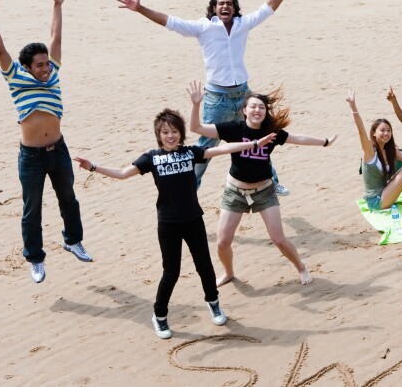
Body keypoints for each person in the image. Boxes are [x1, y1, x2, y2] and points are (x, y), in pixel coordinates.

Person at [72, 110, 274, 338]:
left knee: (205, 267)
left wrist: (255, 143)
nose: (171, 136)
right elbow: (122, 173)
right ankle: (159, 316)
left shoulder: (190, 153)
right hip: (168, 223)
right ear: (159, 134)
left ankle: (213, 302)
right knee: (171, 272)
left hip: (193, 219)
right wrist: (92, 167)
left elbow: (222, 149)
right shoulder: (151, 158)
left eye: (175, 131)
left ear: (181, 133)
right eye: (165, 132)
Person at [117, 0, 308, 194]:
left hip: (244, 96)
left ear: (234, 8)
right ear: (214, 9)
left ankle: (272, 182)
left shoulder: (242, 24)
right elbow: (170, 22)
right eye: (220, 3)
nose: (225, 6)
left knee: (257, 138)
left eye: (229, 3)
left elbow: (268, 8)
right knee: (205, 148)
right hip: (217, 100)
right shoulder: (203, 27)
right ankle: (190, 190)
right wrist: (139, 8)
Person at [0, 0, 92, 284]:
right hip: (32, 157)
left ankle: (73, 240)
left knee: (69, 199)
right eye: (39, 65)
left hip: (59, 150)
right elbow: (0, 49)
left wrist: (58, 5)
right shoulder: (15, 78)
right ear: (26, 67)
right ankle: (35, 258)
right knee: (31, 209)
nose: (46, 68)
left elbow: (56, 36)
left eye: (47, 64)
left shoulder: (54, 73)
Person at [187, 81, 334, 286]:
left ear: (265, 112)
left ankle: (301, 267)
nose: (257, 110)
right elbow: (196, 128)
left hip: (264, 191)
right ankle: (228, 273)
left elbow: (297, 138)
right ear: (244, 110)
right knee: (222, 242)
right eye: (253, 106)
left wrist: (324, 141)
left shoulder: (271, 132)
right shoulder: (233, 129)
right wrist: (196, 104)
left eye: (261, 107)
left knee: (279, 239)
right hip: (235, 191)